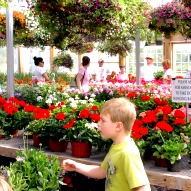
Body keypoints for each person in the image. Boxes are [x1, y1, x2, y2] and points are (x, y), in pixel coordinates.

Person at [62, 98, 151, 191]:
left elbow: (143, 187)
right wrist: (76, 166)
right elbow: (102, 171)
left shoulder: (128, 153)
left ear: (118, 126)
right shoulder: (117, 146)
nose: (98, 124)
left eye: (103, 120)